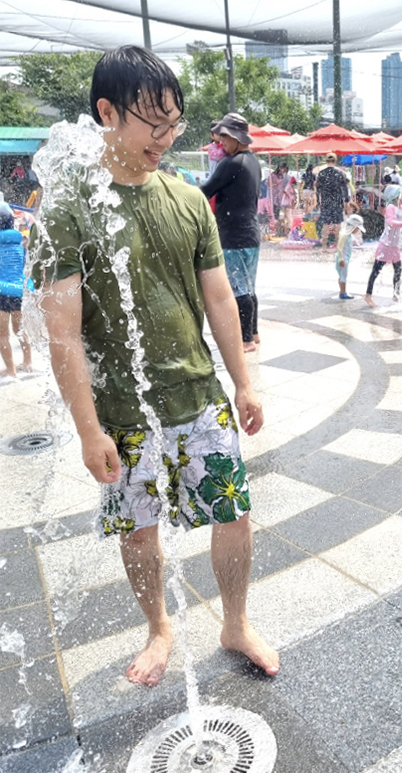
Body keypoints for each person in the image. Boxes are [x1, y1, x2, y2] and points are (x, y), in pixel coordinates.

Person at [31, 46, 278, 686]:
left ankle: (235, 621)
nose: (167, 139)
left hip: (198, 395)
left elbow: (219, 299)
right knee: (139, 534)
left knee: (233, 514)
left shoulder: (189, 199)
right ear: (107, 112)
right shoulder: (67, 208)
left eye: (175, 124)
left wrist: (244, 382)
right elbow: (63, 334)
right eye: (154, 124)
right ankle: (159, 627)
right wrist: (89, 429)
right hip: (121, 413)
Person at [201, 113, 263, 354]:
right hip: (251, 234)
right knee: (249, 287)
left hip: (234, 236)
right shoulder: (253, 162)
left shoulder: (231, 163)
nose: (221, 142)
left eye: (224, 137)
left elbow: (205, 190)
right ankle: (254, 333)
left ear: (236, 138)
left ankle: (245, 340)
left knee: (238, 289)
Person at [364, 184, 402, 307]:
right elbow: (390, 222)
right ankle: (368, 295)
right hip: (386, 245)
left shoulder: (401, 208)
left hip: (395, 246)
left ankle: (396, 294)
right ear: (394, 196)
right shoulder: (391, 207)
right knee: (376, 270)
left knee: (398, 269)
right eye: (400, 195)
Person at [0, 203, 32, 378]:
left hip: (2, 291)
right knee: (19, 329)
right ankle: (28, 362)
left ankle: (10, 370)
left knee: (2, 334)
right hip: (19, 291)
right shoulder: (21, 242)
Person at [316, 152, 350, 249]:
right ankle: (337, 247)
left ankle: (324, 247)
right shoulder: (340, 173)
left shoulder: (321, 173)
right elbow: (345, 189)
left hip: (325, 202)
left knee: (326, 224)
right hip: (337, 201)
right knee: (337, 224)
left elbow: (318, 190)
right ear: (335, 161)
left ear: (326, 161)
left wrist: (318, 202)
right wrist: (346, 201)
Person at [335, 213, 365, 300]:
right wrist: (341, 259)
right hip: (343, 258)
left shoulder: (347, 233)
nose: (358, 231)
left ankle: (341, 291)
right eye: (357, 228)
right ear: (353, 226)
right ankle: (343, 293)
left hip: (344, 257)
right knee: (343, 276)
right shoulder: (344, 234)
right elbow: (339, 248)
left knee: (341, 275)